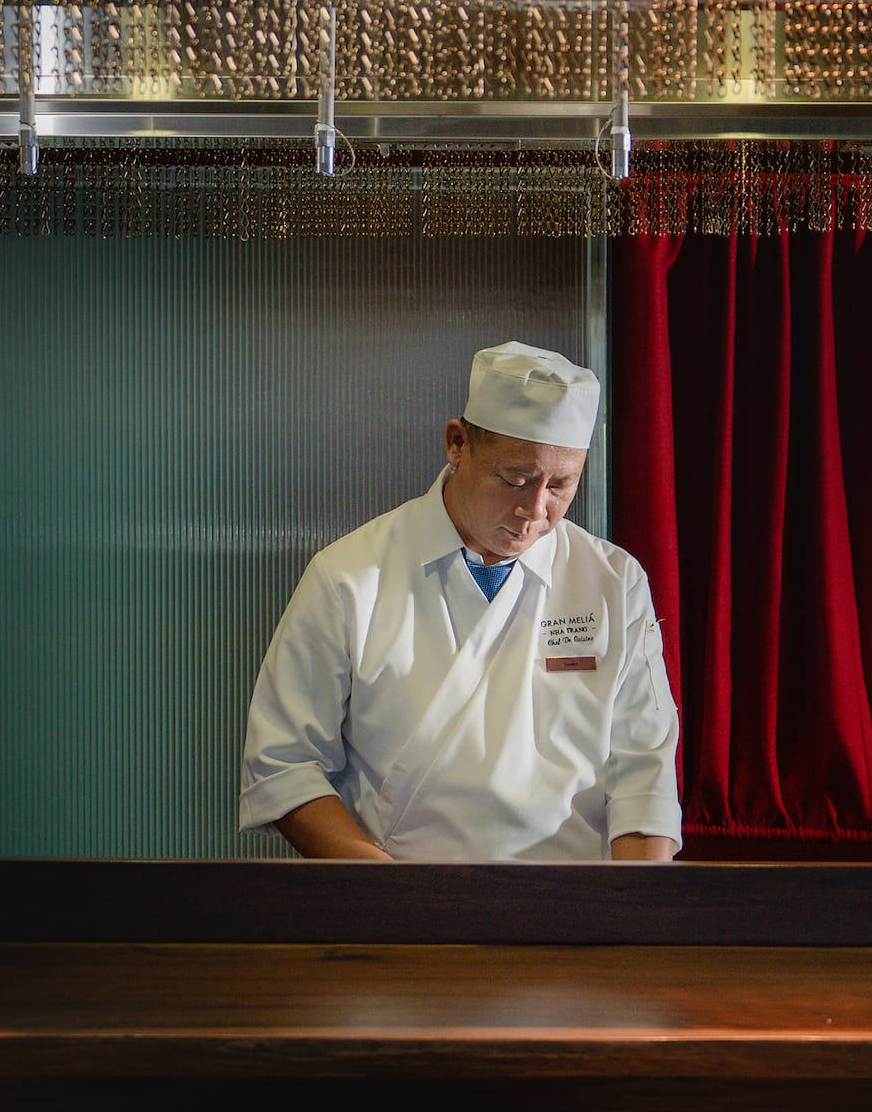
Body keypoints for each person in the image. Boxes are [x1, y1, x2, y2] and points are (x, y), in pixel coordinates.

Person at [239, 340, 682, 861]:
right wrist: (394, 902)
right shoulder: (348, 577)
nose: (535, 510)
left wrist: (627, 918)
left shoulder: (613, 580)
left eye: (562, 485)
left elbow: (643, 773)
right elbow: (285, 764)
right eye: (515, 479)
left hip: (575, 909)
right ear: (456, 444)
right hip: (400, 908)